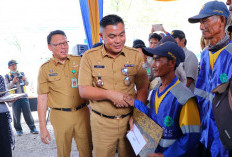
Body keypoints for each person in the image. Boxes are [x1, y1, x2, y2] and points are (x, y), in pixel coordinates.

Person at [78, 14, 149, 157]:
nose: (118, 40)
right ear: (101, 36)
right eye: (112, 36)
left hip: (129, 121)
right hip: (102, 123)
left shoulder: (135, 55)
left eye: (122, 35)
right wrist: (110, 95)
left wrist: (137, 115)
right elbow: (83, 90)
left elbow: (143, 87)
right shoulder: (89, 57)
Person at [125, 42, 201, 157]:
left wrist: (165, 155)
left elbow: (191, 137)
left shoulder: (184, 98)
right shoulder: (157, 90)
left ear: (172, 63)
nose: (153, 65)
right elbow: (152, 115)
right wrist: (134, 104)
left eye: (157, 60)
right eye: (153, 60)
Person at [37, 30, 92, 157]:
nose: (63, 46)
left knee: (87, 150)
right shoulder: (45, 69)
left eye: (65, 42)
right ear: (50, 47)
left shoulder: (80, 61)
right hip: (60, 115)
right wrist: (42, 127)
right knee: (63, 152)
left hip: (82, 113)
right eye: (58, 44)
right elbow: (42, 99)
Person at [188, 1, 232, 156]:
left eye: (205, 20)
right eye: (200, 22)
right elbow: (200, 93)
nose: (201, 27)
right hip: (205, 134)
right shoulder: (206, 54)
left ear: (221, 20)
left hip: (226, 137)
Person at [5, 60, 38, 136]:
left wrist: (24, 79)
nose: (14, 67)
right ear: (9, 67)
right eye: (12, 65)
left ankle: (32, 128)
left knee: (27, 113)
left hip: (24, 96)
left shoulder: (21, 73)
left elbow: (27, 83)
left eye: (15, 65)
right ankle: (18, 130)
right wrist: (13, 82)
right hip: (14, 98)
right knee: (16, 114)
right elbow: (6, 87)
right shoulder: (7, 76)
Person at [0, 75, 15, 157]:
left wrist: (10, 99)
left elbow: (5, 93)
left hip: (2, 115)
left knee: (5, 145)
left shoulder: (0, 78)